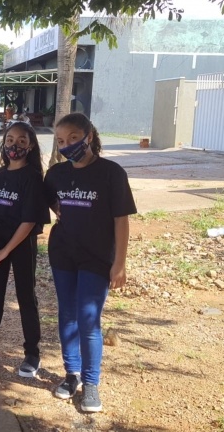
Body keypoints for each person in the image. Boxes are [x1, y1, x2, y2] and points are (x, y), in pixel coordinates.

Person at [44, 113, 136, 412]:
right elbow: (50, 199)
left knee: (88, 318)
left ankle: (91, 383)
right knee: (67, 314)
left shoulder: (111, 173)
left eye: (73, 138)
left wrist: (119, 263)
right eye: (61, 141)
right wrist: (60, 210)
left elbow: (121, 220)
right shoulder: (56, 173)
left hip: (97, 256)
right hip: (63, 253)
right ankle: (71, 374)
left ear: (89, 137)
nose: (67, 145)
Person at [0, 122, 49, 378]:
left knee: (25, 296)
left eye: (21, 141)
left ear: (30, 145)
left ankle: (32, 353)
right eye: (10, 140)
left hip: (20, 244)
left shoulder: (32, 177)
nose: (14, 145)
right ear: (3, 143)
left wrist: (6, 250)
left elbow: (28, 221)